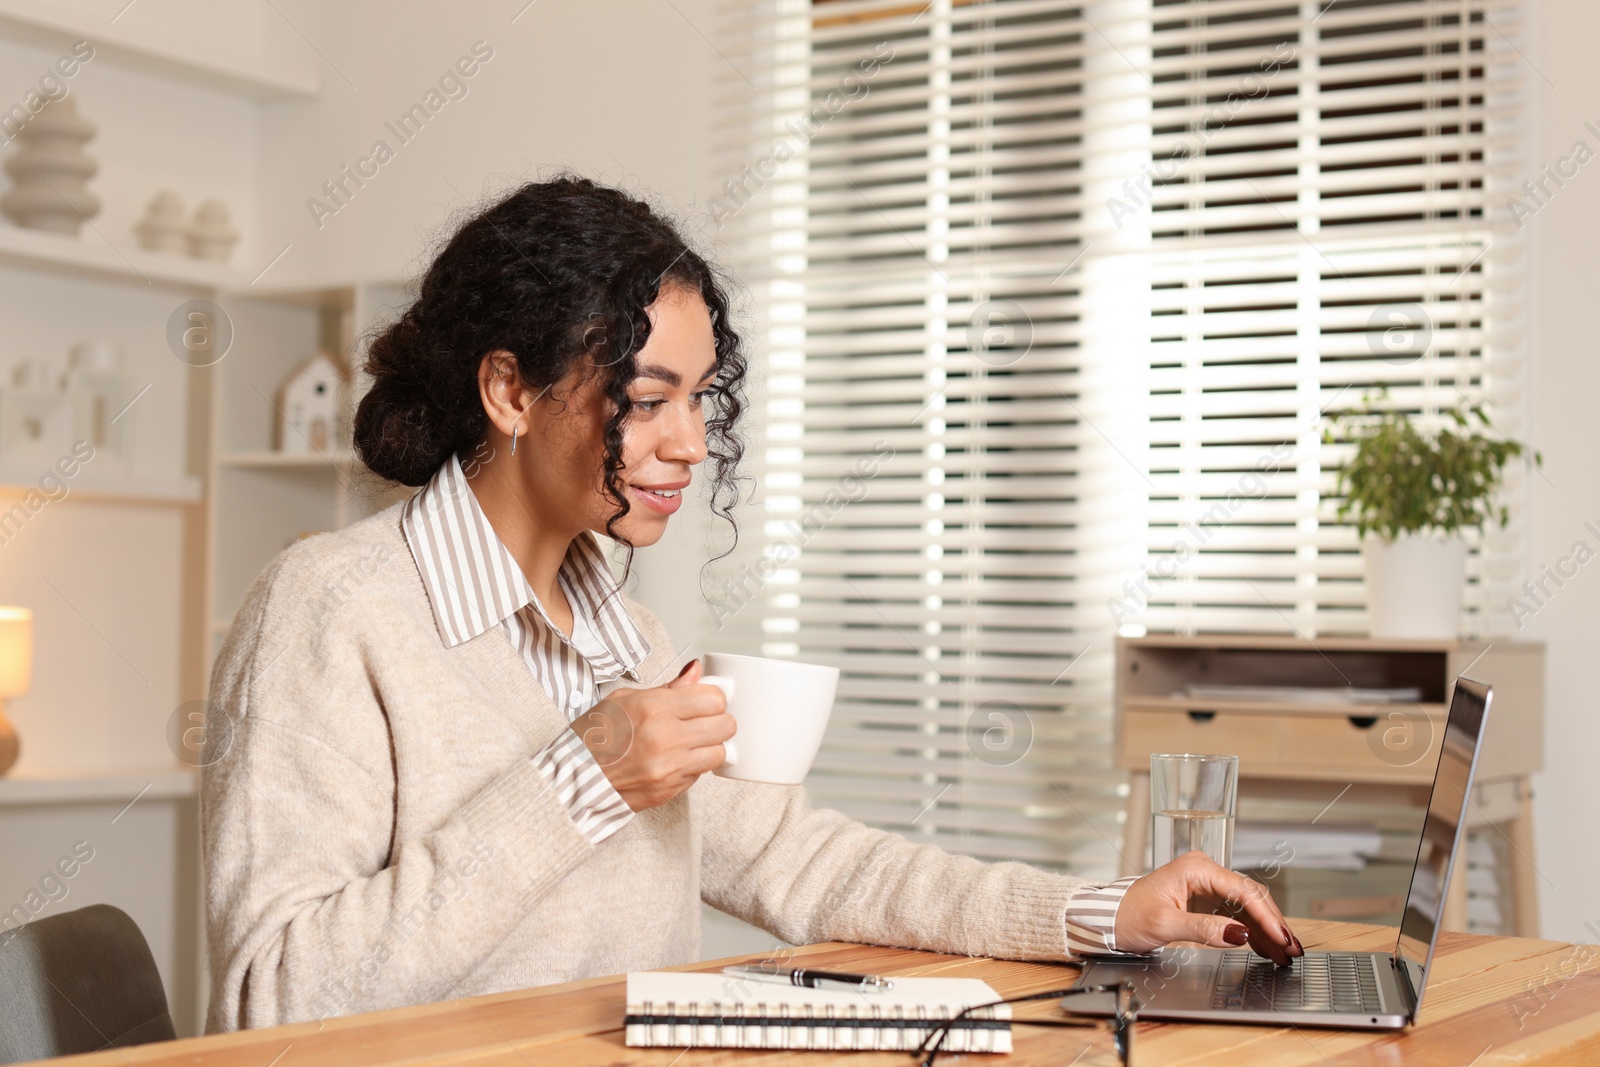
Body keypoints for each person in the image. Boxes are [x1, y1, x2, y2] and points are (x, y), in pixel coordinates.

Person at [199, 176, 1301, 1034]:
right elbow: (279, 996)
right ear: (510, 390)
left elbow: (809, 864)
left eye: (701, 396)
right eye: (646, 399)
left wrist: (1100, 914)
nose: (688, 441)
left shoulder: (620, 635)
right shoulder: (330, 608)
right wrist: (582, 778)